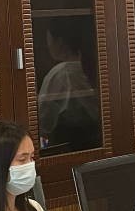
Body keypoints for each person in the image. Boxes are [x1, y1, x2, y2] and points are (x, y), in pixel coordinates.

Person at [37, 19, 100, 150]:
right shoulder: (92, 67)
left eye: (48, 40)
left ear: (59, 42)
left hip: (67, 147)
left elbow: (43, 121)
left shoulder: (61, 73)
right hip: (97, 141)